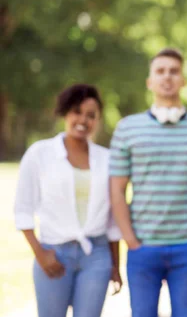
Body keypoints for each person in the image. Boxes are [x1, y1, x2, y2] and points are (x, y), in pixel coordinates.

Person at [109, 48, 187, 317]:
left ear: (183, 80)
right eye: (160, 71)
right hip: (143, 247)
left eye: (174, 71)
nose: (167, 77)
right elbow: (117, 190)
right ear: (150, 81)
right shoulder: (127, 128)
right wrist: (131, 240)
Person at [14, 84, 122, 317]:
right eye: (76, 111)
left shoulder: (108, 160)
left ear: (98, 120)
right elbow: (23, 209)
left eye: (91, 115)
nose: (83, 120)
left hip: (97, 256)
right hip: (54, 253)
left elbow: (113, 219)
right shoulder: (40, 154)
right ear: (65, 112)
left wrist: (115, 265)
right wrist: (40, 253)